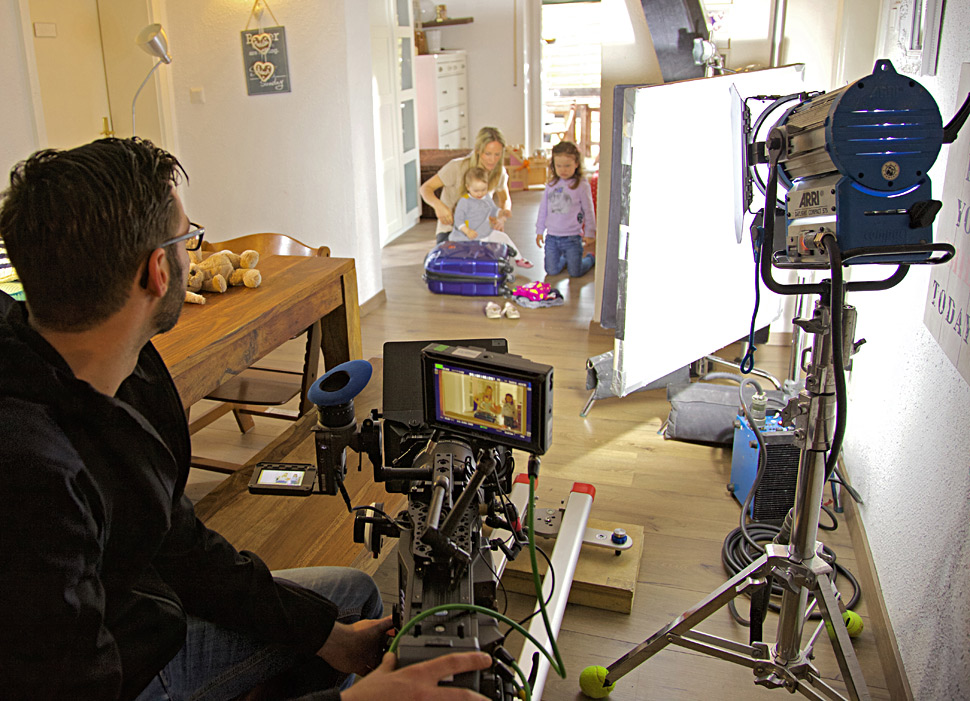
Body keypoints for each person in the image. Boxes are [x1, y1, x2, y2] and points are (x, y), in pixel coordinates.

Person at [0, 137, 491, 700]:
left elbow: (181, 545)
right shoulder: (32, 479)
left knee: (347, 603)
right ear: (159, 271)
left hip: (142, 602)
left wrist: (324, 635)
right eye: (188, 240)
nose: (193, 254)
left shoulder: (121, 366)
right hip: (125, 672)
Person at [420, 126, 531, 268]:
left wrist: (501, 218)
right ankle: (436, 255)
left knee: (488, 264)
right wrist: (439, 206)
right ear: (478, 150)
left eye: (497, 154)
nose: (492, 160)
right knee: (454, 265)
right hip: (451, 231)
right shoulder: (456, 167)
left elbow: (505, 200)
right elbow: (425, 188)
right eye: (488, 154)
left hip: (479, 230)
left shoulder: (499, 173)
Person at [535, 140, 596, 278]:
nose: (563, 170)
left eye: (567, 166)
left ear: (576, 164)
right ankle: (567, 259)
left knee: (575, 272)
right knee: (551, 270)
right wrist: (539, 231)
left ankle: (590, 259)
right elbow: (543, 210)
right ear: (554, 165)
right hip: (552, 237)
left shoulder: (581, 185)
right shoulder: (551, 185)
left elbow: (588, 210)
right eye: (559, 166)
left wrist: (590, 232)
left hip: (572, 238)